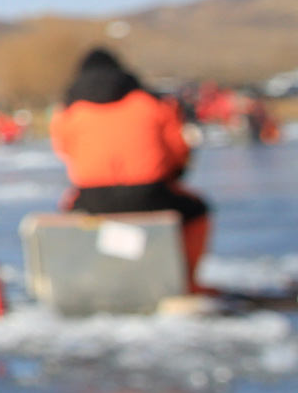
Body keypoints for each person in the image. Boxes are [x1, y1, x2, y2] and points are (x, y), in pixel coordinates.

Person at [51, 48, 213, 290]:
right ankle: (186, 284)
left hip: (92, 198)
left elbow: (65, 151)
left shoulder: (68, 109)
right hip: (149, 192)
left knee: (70, 212)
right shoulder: (151, 101)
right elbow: (178, 148)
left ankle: (97, 283)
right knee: (197, 210)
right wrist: (172, 174)